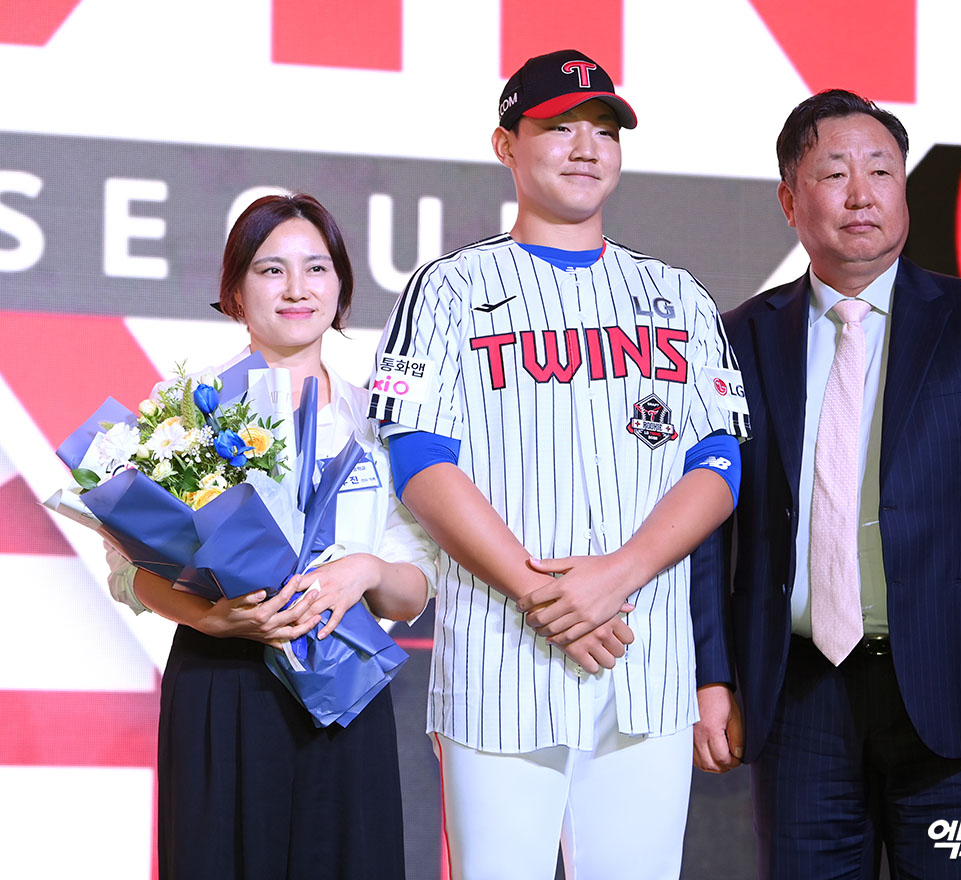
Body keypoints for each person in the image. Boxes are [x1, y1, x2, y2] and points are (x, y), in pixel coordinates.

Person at [368, 49, 750, 880]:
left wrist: (614, 576)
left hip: (641, 660)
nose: (587, 146)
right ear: (506, 145)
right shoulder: (449, 287)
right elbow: (419, 460)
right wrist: (547, 593)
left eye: (605, 131)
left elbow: (718, 464)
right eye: (560, 127)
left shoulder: (676, 294)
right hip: (500, 658)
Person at [691, 90, 961, 879]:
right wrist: (709, 675)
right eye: (835, 173)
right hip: (796, 693)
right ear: (789, 200)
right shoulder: (735, 337)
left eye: (882, 170)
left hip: (958, 690)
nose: (862, 193)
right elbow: (705, 527)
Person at [106, 193, 437, 879]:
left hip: (345, 688)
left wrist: (367, 572)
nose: (296, 289)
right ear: (233, 290)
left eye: (316, 269)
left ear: (341, 287)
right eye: (270, 270)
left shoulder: (379, 426)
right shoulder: (182, 421)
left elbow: (412, 594)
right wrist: (215, 618)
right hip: (223, 687)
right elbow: (133, 573)